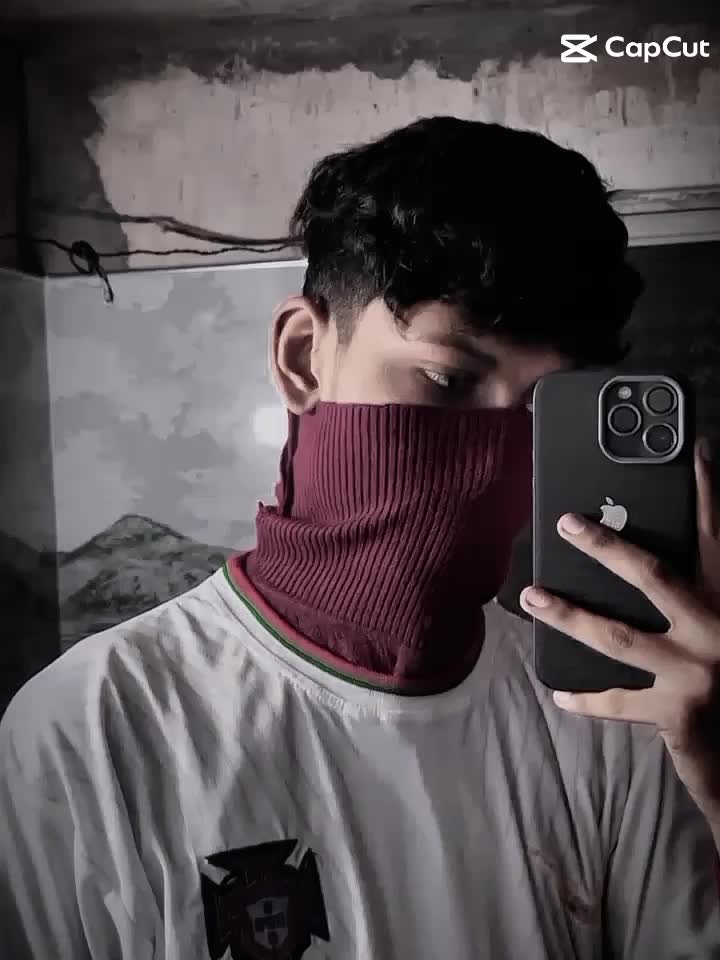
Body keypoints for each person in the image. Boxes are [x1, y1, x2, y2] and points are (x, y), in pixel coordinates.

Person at [1, 116, 720, 960]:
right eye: (447, 379)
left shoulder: (612, 719)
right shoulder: (92, 733)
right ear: (304, 356)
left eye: (542, 412)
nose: (496, 455)